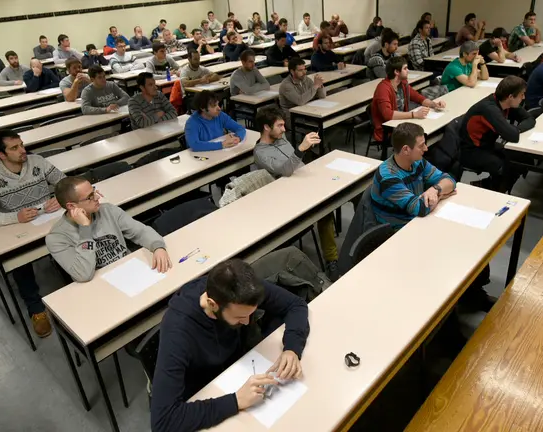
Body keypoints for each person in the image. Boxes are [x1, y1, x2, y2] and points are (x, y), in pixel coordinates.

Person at [150, 258, 309, 431]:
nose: (248, 322)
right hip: (205, 393)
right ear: (213, 305)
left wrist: (292, 348)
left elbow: (296, 304)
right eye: (240, 318)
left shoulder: (241, 290)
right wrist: (236, 401)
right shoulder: (178, 331)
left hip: (237, 370)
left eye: (251, 314)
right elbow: (163, 422)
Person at [0, 129, 67, 337]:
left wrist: (60, 198)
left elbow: (65, 183)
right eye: (15, 148)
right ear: (1, 155)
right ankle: (36, 308)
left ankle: (74, 288)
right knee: (19, 262)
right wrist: (15, 217)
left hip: (49, 219)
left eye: (22, 144)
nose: (23, 150)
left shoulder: (37, 161)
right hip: (19, 228)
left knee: (74, 238)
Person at [253, 107, 340, 273]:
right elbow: (285, 170)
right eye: (279, 126)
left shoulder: (281, 138)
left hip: (305, 181)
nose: (284, 130)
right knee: (325, 209)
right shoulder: (260, 153)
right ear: (266, 127)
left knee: (346, 188)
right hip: (288, 195)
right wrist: (301, 149)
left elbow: (297, 165)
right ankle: (331, 260)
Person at [46, 176, 171, 283]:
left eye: (94, 191)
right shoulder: (57, 238)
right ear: (71, 206)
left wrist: (158, 247)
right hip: (100, 285)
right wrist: (85, 229)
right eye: (90, 197)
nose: (97, 197)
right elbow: (84, 274)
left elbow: (140, 231)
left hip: (131, 270)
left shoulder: (108, 210)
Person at [371, 122, 456, 229]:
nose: (426, 148)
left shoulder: (417, 162)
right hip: (396, 231)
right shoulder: (389, 177)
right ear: (406, 149)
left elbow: (449, 180)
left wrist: (435, 189)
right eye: (421, 146)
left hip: (416, 219)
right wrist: (441, 195)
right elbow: (420, 208)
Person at [459, 76, 535, 192]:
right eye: (521, 94)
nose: (523, 98)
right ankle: (495, 192)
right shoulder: (489, 109)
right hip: (472, 151)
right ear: (510, 96)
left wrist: (517, 129)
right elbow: (512, 136)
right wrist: (514, 131)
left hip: (488, 146)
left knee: (523, 158)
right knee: (506, 166)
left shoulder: (506, 103)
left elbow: (530, 119)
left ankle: (487, 185)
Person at [371, 57, 444, 145]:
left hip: (401, 123)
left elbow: (418, 97)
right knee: (421, 136)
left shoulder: (403, 83)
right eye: (405, 68)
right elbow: (388, 115)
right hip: (388, 131)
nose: (408, 70)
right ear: (396, 72)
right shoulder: (383, 88)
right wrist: (415, 115)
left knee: (433, 130)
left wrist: (434, 104)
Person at [279, 57, 326, 125]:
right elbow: (300, 101)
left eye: (304, 69)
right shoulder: (286, 85)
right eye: (300, 70)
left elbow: (322, 96)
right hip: (293, 117)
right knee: (318, 126)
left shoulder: (306, 79)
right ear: (292, 71)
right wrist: (315, 86)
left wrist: (320, 85)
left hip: (307, 112)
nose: (304, 72)